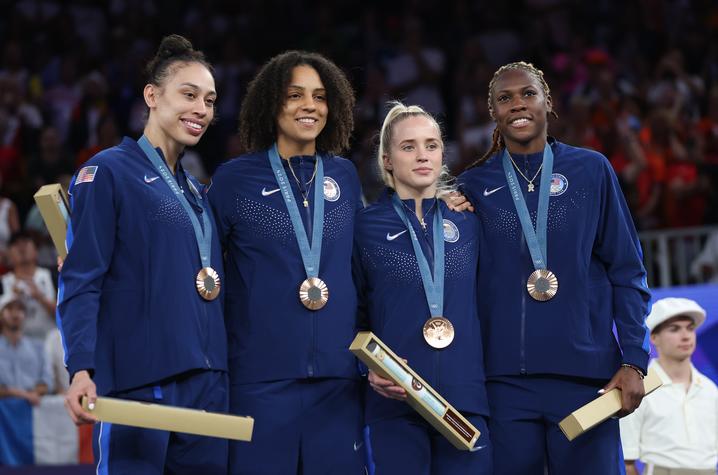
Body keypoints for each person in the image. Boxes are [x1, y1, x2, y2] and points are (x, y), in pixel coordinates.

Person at [459, 61, 651, 474]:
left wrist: (634, 359)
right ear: (492, 111)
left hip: (585, 379)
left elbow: (626, 270)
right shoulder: (472, 186)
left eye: (528, 93)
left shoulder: (591, 170)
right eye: (504, 98)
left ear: (548, 101)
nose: (518, 104)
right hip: (504, 383)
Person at [57, 34, 228, 475]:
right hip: (139, 386)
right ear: (152, 96)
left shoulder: (198, 193)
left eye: (209, 100)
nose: (201, 110)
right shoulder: (107, 172)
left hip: (207, 388)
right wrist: (80, 368)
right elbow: (81, 278)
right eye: (188, 95)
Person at [208, 50, 366, 474]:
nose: (308, 106)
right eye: (294, 95)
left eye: (318, 96)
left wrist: (440, 203)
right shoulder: (234, 179)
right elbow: (199, 262)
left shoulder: (345, 176)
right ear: (270, 103)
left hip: (337, 380)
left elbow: (366, 266)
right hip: (259, 379)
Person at [353, 102, 492, 474]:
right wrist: (365, 368)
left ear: (442, 154)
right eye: (408, 146)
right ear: (386, 159)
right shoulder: (362, 227)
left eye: (431, 145)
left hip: (465, 399)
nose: (422, 155)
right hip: (397, 401)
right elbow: (353, 313)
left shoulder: (469, 222)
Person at [620, 297, 717, 475]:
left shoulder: (710, 389)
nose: (686, 336)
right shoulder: (639, 389)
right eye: (674, 329)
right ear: (654, 338)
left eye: (690, 328)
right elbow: (627, 462)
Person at [1, 232, 56, 339]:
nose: (21, 248)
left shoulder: (52, 276)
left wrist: (40, 297)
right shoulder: (3, 283)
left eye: (26, 242)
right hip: (16, 345)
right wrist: (13, 299)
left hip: (50, 341)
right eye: (16, 244)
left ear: (36, 251)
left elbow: (65, 313)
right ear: (9, 254)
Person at [0, 295, 51, 406]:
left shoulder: (38, 347)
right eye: (9, 309)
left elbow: (46, 382)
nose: (15, 314)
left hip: (31, 409)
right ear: (1, 314)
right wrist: (24, 395)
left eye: (20, 309)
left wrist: (31, 393)